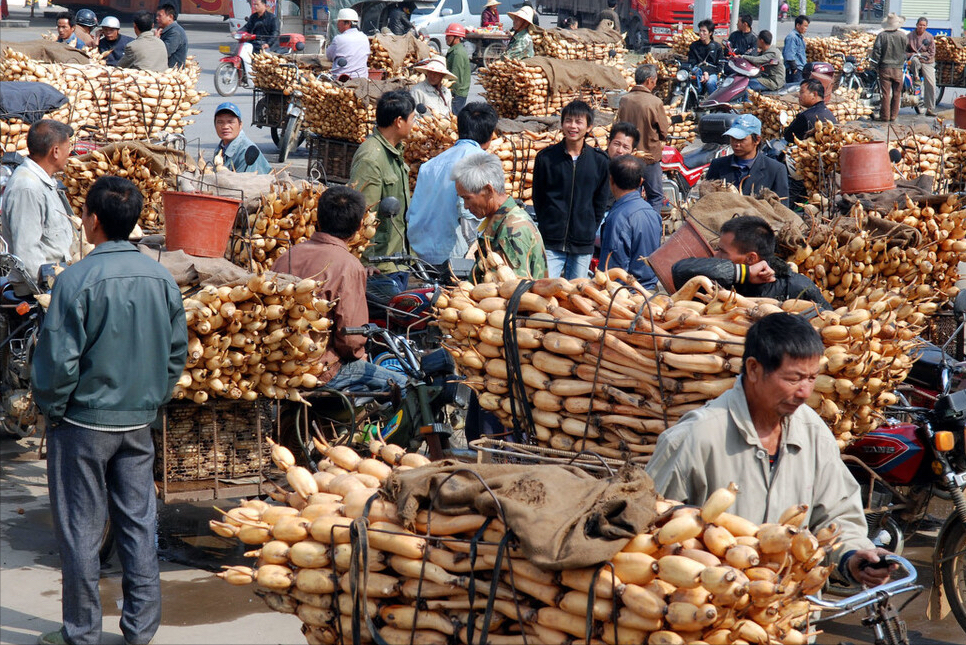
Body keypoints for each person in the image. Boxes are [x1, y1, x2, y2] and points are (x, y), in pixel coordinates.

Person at [32, 175, 188, 645]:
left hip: (82, 424)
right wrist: (152, 399)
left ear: (92, 221)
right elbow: (175, 354)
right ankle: (140, 631)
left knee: (81, 532)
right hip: (138, 422)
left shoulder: (76, 280)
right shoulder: (162, 277)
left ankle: (82, 633)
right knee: (138, 525)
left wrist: (53, 409)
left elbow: (57, 363)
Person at [646, 313, 894, 590]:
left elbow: (838, 514)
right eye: (794, 378)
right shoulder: (693, 438)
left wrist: (852, 557)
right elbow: (651, 531)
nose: (804, 391)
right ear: (753, 369)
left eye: (812, 378)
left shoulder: (813, 431)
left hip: (789, 616)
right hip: (710, 618)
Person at [273, 187, 407, 392]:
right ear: (360, 226)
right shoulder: (349, 266)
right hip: (320, 370)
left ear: (318, 218)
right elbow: (351, 340)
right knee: (408, 386)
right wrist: (358, 354)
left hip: (277, 364)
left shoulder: (289, 254)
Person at [407, 102, 499, 272]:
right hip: (454, 259)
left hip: (420, 255)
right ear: (490, 135)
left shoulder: (430, 165)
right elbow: (469, 218)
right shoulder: (479, 162)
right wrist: (477, 253)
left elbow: (413, 210)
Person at [671, 215, 831, 308]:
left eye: (723, 251)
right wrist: (743, 273)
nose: (716, 255)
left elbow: (829, 321)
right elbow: (679, 271)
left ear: (751, 258)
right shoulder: (720, 279)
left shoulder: (797, 287)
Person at [532, 100, 609, 279]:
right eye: (568, 121)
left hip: (582, 244)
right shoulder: (546, 158)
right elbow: (539, 198)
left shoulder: (599, 162)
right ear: (562, 124)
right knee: (545, 292)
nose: (572, 126)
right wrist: (548, 225)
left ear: (588, 127)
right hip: (551, 242)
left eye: (578, 122)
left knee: (576, 296)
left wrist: (588, 229)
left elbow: (600, 202)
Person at [0, 120, 75, 297]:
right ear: (55, 151)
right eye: (68, 147)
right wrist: (47, 295)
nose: (70, 153)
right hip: (41, 293)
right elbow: (28, 252)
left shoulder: (44, 182)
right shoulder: (27, 188)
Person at [349, 90, 416, 285]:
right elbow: (363, 213)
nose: (414, 124)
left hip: (398, 260)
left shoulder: (393, 151)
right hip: (379, 268)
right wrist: (366, 260)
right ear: (398, 122)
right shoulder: (371, 158)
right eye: (412, 119)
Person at [453, 152, 547, 279]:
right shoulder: (498, 221)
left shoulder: (512, 231)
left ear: (488, 190)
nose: (465, 206)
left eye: (467, 198)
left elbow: (512, 291)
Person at [599, 155, 661, 289]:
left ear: (611, 180)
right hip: (650, 290)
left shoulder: (618, 218)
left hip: (626, 295)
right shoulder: (652, 213)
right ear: (641, 182)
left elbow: (613, 269)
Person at [616, 64, 670, 214]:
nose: (655, 83)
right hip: (649, 158)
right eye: (655, 81)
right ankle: (652, 228)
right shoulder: (654, 102)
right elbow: (664, 132)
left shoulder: (624, 100)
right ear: (649, 81)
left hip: (629, 157)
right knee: (656, 196)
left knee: (632, 196)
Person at [704, 114, 788, 200]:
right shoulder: (718, 165)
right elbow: (706, 202)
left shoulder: (776, 170)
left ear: (757, 140)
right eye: (733, 138)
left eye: (741, 139)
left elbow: (781, 209)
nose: (736, 144)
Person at [212, 102, 272, 174]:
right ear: (215, 125)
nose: (225, 127)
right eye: (220, 122)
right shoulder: (221, 148)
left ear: (240, 125)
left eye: (230, 122)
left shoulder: (246, 150)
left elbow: (244, 181)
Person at [873, 13, 907, 122]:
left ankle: (885, 116)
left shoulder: (881, 36)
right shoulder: (902, 36)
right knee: (897, 93)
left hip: (885, 68)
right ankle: (893, 116)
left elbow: (876, 52)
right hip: (898, 69)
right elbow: (906, 50)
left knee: (886, 94)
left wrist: (875, 65)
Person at [784, 78, 837, 143]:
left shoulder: (805, 116)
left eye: (802, 92)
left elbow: (788, 136)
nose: (799, 96)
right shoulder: (829, 113)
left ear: (814, 95)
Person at [240, 0, 280, 84]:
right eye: (254, 5)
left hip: (266, 43)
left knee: (261, 63)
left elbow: (275, 33)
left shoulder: (272, 18)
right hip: (254, 42)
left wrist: (268, 44)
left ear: (264, 5)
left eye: (257, 5)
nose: (255, 7)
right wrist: (238, 32)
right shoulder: (253, 17)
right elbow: (247, 27)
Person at [326, 8, 370, 79]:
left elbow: (329, 56)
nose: (337, 25)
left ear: (348, 23)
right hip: (362, 78)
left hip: (341, 80)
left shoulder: (338, 39)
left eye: (339, 22)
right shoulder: (364, 37)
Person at [908, 16, 937, 116]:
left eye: (923, 25)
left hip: (926, 61)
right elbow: (905, 50)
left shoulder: (929, 37)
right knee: (914, 61)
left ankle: (929, 108)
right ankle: (916, 78)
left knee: (931, 83)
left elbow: (932, 52)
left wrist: (923, 56)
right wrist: (910, 54)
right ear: (916, 25)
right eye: (920, 25)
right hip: (914, 60)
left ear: (926, 27)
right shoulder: (910, 36)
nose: (921, 27)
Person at [687, 19, 724, 95]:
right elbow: (692, 62)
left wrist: (707, 73)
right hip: (698, 71)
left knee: (710, 83)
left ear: (710, 33)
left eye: (704, 31)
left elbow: (719, 66)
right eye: (700, 31)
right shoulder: (694, 46)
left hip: (712, 72)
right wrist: (703, 73)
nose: (701, 33)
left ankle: (713, 102)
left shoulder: (717, 47)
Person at [445, 24, 471, 114]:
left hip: (457, 94)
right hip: (457, 93)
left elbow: (456, 78)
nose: (446, 38)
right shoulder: (455, 51)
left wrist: (450, 94)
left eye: (449, 36)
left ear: (457, 38)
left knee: (454, 119)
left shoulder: (457, 53)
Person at [155, 3, 188, 68]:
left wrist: (156, 39)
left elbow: (164, 53)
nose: (156, 18)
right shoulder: (165, 30)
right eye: (157, 16)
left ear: (170, 17)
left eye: (160, 16)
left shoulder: (175, 32)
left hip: (173, 72)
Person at [783, 15, 808, 84]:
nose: (806, 28)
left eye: (807, 26)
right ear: (798, 25)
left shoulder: (799, 37)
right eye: (805, 26)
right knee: (794, 90)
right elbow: (789, 54)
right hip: (795, 70)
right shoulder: (792, 37)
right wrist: (794, 68)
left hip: (800, 69)